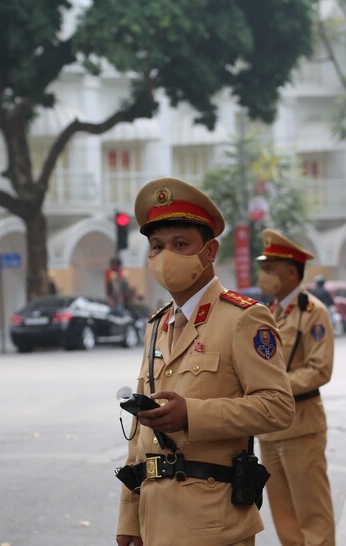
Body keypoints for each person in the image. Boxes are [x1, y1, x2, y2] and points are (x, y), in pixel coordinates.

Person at [115, 177, 295, 546]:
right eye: (157, 246)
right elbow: (139, 436)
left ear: (210, 252)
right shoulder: (158, 324)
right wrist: (129, 517)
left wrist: (192, 416)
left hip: (214, 523)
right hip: (155, 520)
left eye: (180, 244)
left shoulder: (244, 318)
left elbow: (278, 407)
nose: (166, 256)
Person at [255, 229, 336, 546]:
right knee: (284, 514)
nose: (265, 276)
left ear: (291, 272)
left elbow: (320, 369)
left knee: (312, 513)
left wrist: (273, 388)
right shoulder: (269, 313)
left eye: (270, 269)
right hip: (270, 428)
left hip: (301, 426)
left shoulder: (312, 313)